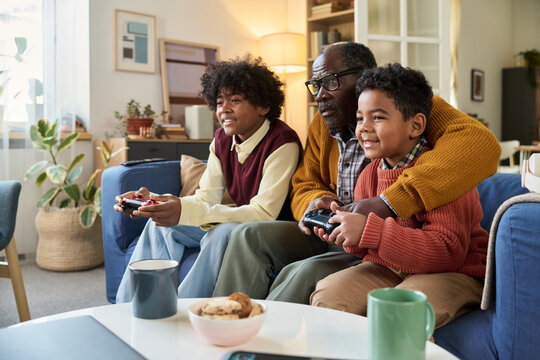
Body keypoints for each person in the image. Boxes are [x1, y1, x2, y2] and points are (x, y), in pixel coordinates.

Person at [212, 42, 500, 303]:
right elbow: (304, 182)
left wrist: (388, 203)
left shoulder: (407, 105)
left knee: (307, 272)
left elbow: (480, 144)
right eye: (315, 85)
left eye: (331, 82)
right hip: (340, 229)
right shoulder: (324, 125)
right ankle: (223, 320)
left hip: (378, 236)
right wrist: (319, 202)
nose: (319, 96)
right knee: (246, 235)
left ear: (364, 78)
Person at [310, 63, 487, 328]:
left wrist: (372, 232)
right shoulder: (369, 174)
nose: (364, 128)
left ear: (415, 125)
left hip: (454, 271)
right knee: (328, 294)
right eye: (360, 118)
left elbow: (448, 252)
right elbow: (366, 249)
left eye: (378, 117)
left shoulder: (443, 171)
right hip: (394, 267)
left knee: (399, 309)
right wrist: (344, 231)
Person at [114, 55, 302, 302]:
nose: (223, 109)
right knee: (159, 225)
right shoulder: (222, 140)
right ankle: (133, 306)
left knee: (221, 233)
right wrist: (161, 203)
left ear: (263, 106)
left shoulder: (282, 142)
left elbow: (263, 214)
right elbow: (206, 197)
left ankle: (184, 310)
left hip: (275, 230)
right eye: (219, 101)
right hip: (242, 220)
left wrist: (189, 211)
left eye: (235, 100)